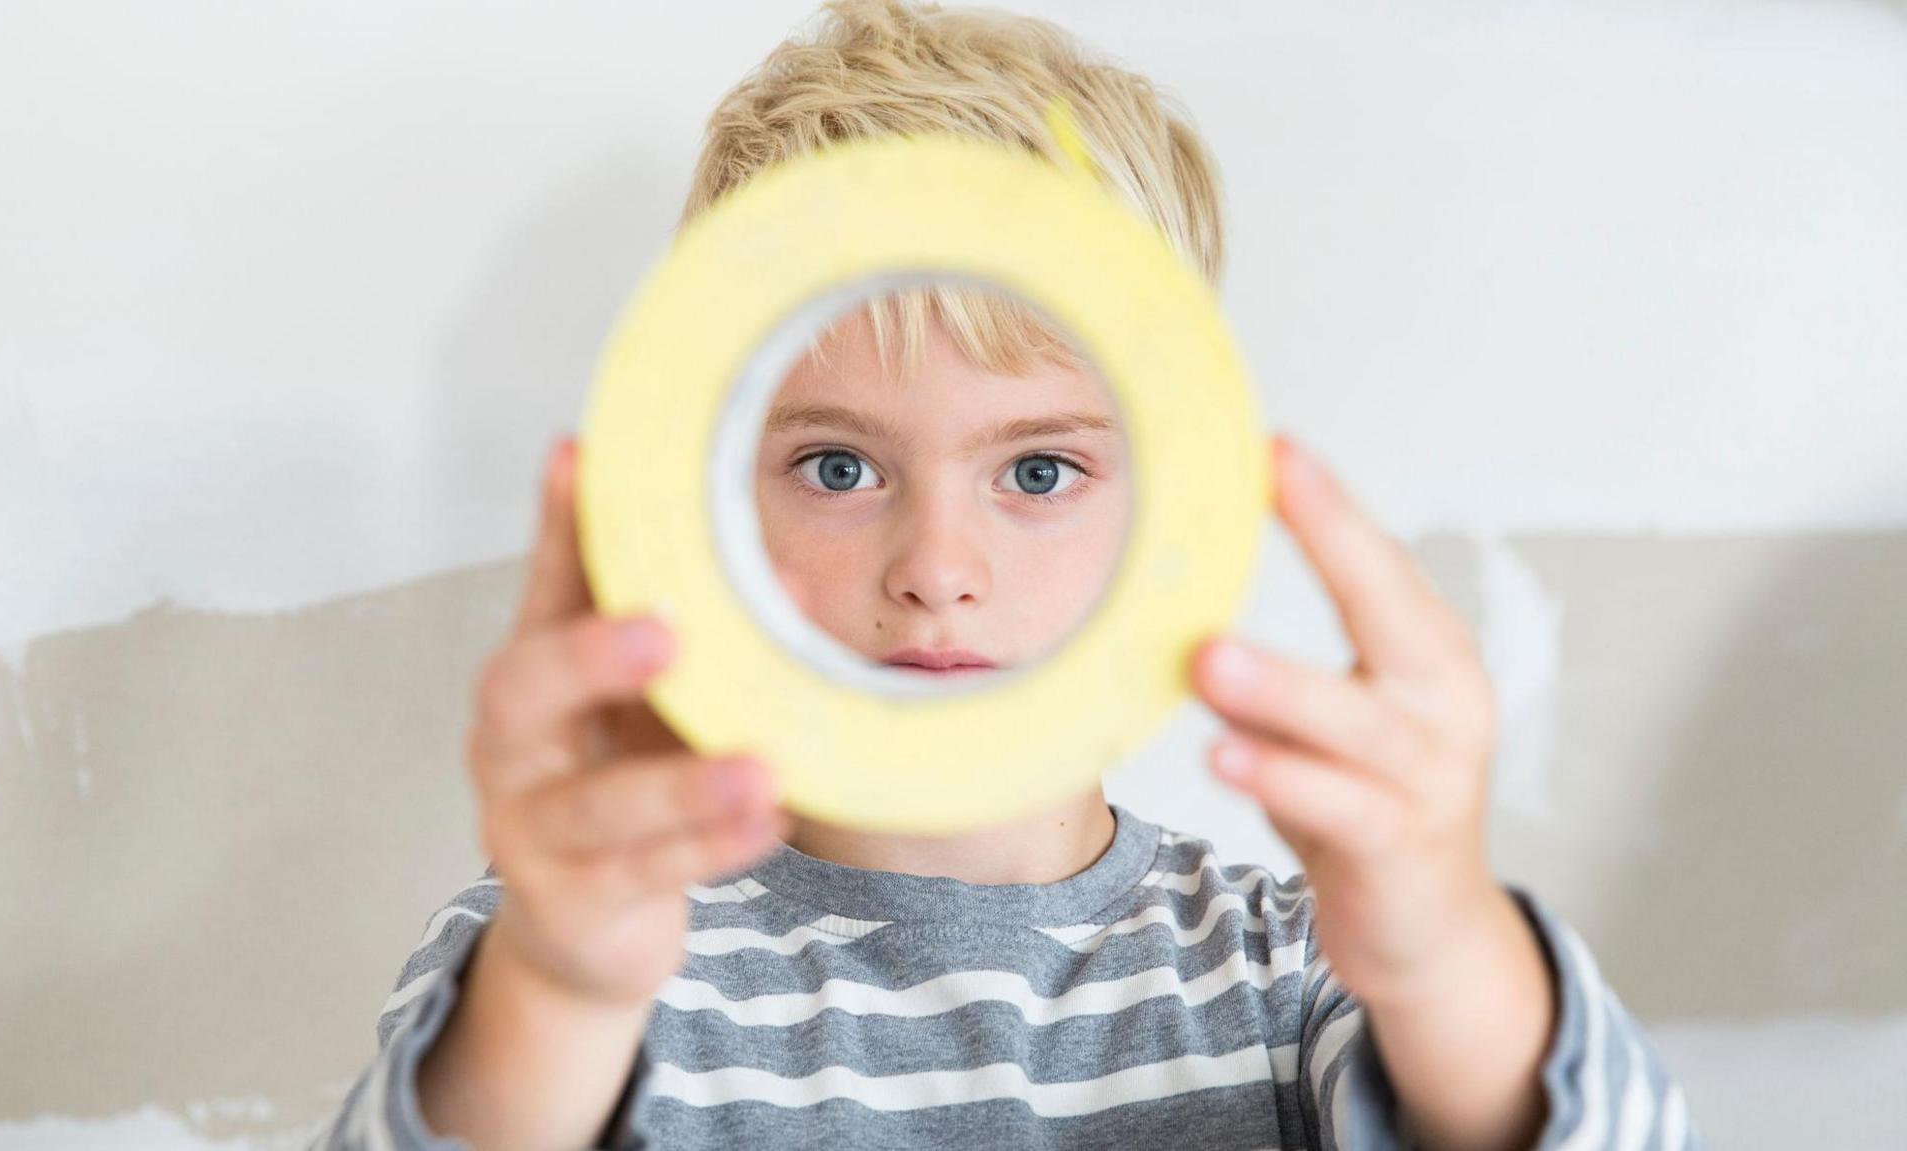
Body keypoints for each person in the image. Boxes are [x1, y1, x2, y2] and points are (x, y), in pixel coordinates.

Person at [312, 2, 1699, 1147]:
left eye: (1038, 472)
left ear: (1177, 497)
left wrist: (1444, 938)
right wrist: (558, 990)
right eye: (840, 468)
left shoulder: (1301, 974)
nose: (936, 573)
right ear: (709, 490)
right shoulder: (575, 945)